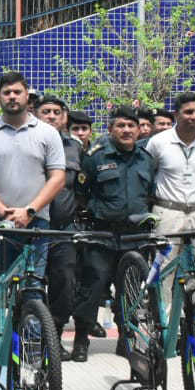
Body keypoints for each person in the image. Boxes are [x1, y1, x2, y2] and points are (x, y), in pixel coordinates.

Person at [75, 106, 155, 354]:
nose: (126, 130)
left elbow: (150, 193)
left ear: (139, 130)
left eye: (131, 126)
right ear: (110, 129)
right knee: (92, 288)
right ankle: (81, 339)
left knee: (130, 290)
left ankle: (126, 338)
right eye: (121, 126)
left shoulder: (147, 159)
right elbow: (81, 193)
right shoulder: (95, 157)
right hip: (102, 235)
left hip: (135, 237)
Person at [0, 71, 65, 269]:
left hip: (36, 223)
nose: (12, 96)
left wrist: (30, 210)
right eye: (7, 92)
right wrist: (3, 212)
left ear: (27, 96)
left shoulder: (48, 133)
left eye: (17, 92)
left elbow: (57, 178)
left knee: (33, 287)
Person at [144, 92, 195, 311]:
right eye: (188, 112)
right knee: (163, 269)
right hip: (167, 212)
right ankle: (164, 324)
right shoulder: (158, 142)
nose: (194, 117)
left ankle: (191, 325)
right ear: (177, 114)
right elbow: (149, 173)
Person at [36, 95, 88, 359]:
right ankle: (31, 338)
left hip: (63, 229)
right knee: (30, 285)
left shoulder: (75, 148)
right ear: (35, 114)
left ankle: (54, 337)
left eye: (57, 111)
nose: (52, 116)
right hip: (31, 228)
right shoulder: (26, 142)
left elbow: (83, 185)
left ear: (65, 117)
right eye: (46, 111)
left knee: (64, 284)